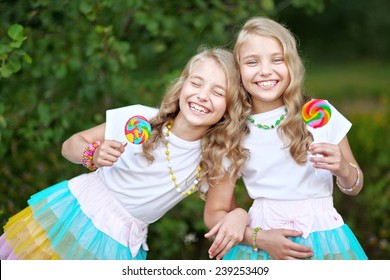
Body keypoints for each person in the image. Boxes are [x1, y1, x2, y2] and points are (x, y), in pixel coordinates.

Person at [0, 47, 251, 260]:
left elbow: (220, 214)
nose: (202, 95)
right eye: (196, 83)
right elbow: (70, 145)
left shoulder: (217, 158)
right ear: (182, 85)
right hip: (72, 215)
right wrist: (93, 153)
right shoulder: (141, 120)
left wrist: (239, 215)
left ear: (230, 107)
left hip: (120, 244)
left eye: (218, 92)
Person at [203, 17, 368, 260]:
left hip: (324, 236)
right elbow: (214, 213)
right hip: (263, 241)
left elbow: (356, 184)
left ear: (292, 64)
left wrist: (343, 169)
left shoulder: (319, 114)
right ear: (238, 71)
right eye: (252, 62)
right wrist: (257, 237)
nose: (265, 70)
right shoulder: (232, 131)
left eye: (277, 59)